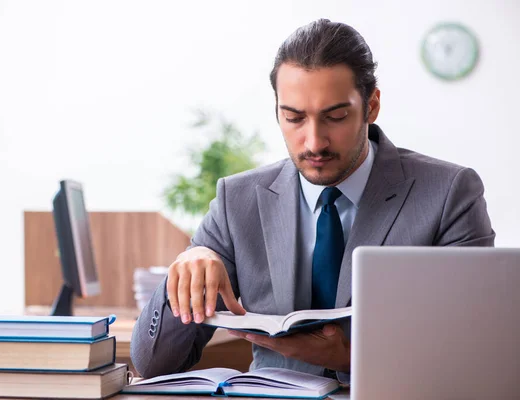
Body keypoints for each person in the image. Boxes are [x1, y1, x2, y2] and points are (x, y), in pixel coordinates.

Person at [130, 18, 495, 381]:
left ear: (371, 106)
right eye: (294, 118)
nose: (314, 141)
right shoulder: (237, 201)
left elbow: (477, 351)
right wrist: (188, 264)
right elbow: (154, 363)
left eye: (335, 117)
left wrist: (352, 357)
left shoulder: (449, 193)